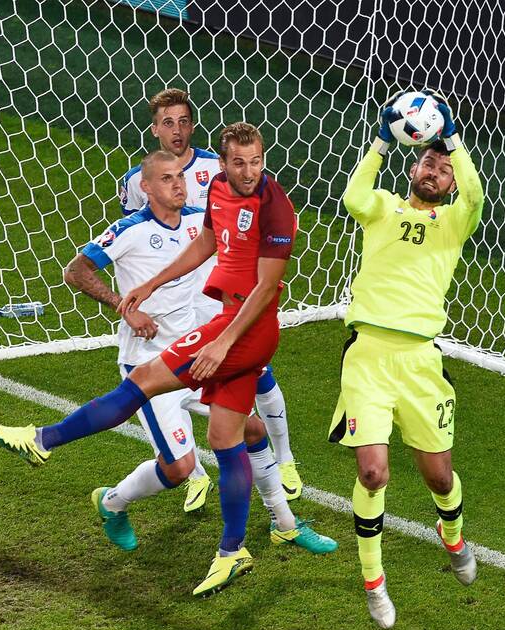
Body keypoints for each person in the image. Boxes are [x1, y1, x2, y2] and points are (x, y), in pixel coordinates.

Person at [0, 124, 337, 596]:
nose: (249, 171)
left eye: (256, 162)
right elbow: (207, 243)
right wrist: (151, 284)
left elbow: (267, 288)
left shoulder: (274, 209)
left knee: (145, 383)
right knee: (231, 437)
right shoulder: (215, 190)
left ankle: (43, 440)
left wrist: (221, 342)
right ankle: (243, 546)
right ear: (223, 164)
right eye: (239, 162)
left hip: (245, 331)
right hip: (232, 328)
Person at [61, 151, 335, 558]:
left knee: (252, 430)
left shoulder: (200, 219)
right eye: (168, 178)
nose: (179, 184)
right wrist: (126, 306)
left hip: (196, 355)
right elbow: (76, 270)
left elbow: (221, 246)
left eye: (181, 177)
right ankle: (112, 502)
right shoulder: (128, 230)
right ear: (145, 188)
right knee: (180, 468)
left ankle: (285, 522)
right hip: (149, 360)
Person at [329, 92, 483, 629]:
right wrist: (380, 138)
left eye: (443, 168)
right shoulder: (384, 207)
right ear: (412, 161)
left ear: (451, 182)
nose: (433, 170)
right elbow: (353, 195)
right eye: (426, 161)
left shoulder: (454, 222)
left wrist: (454, 137)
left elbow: (477, 192)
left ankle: (454, 535)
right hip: (367, 355)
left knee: (439, 478)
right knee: (373, 472)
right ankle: (374, 584)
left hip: (420, 362)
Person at [121, 87, 303, 503]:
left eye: (184, 121)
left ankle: (286, 457)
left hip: (232, 294)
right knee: (189, 381)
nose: (177, 130)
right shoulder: (138, 180)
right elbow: (145, 231)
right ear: (155, 130)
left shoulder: (216, 169)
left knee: (258, 374)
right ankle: (197, 471)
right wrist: (151, 284)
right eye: (168, 123)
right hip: (188, 298)